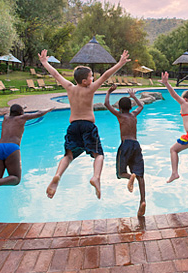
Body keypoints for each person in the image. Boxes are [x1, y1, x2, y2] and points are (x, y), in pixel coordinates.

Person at [38, 49, 130, 199]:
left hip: (73, 126)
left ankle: (57, 176)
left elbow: (55, 74)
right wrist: (120, 63)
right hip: (88, 126)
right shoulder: (90, 89)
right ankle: (96, 177)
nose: (93, 79)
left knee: (68, 156)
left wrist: (44, 62)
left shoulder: (69, 88)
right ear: (85, 81)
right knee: (98, 154)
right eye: (91, 77)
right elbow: (106, 75)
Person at [0, 104, 53, 222]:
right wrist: (49, 109)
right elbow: (39, 113)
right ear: (20, 114)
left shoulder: (5, 118)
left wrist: (21, 108)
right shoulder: (22, 118)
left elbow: (14, 113)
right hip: (12, 148)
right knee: (16, 178)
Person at [104, 85, 147, 217]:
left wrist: (109, 92)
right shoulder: (134, 115)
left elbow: (106, 104)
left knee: (121, 173)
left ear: (120, 108)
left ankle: (130, 176)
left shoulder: (120, 115)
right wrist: (134, 97)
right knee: (141, 176)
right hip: (136, 145)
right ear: (130, 107)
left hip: (126, 145)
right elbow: (141, 106)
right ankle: (143, 200)